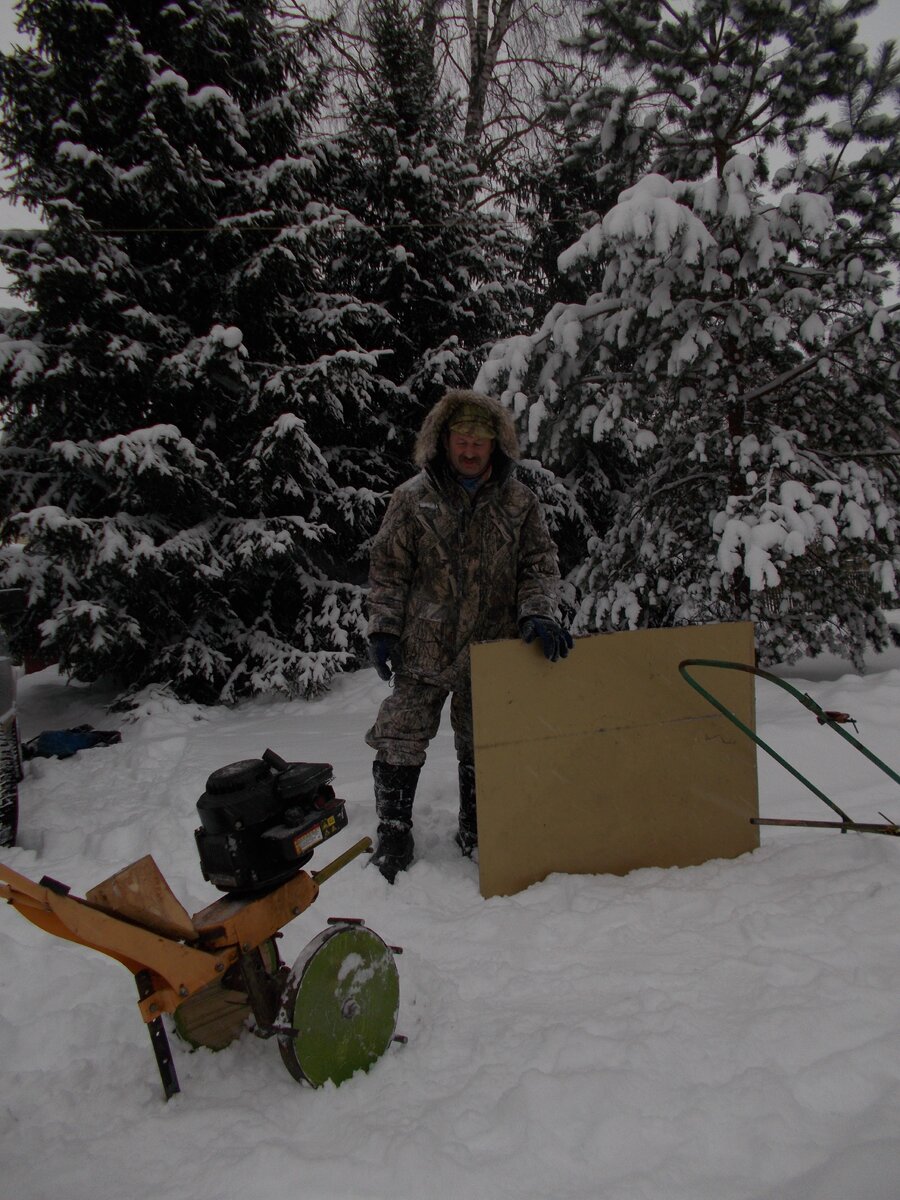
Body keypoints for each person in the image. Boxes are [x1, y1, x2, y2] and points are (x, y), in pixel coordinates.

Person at [365, 387, 572, 882]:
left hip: (493, 649)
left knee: (484, 741)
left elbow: (539, 567)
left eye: (480, 442)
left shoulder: (520, 503)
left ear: (496, 445)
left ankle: (479, 829)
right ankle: (394, 830)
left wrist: (538, 613)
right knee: (399, 736)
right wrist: (384, 629)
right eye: (461, 440)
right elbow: (388, 571)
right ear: (443, 440)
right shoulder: (411, 499)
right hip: (423, 648)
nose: (470, 451)